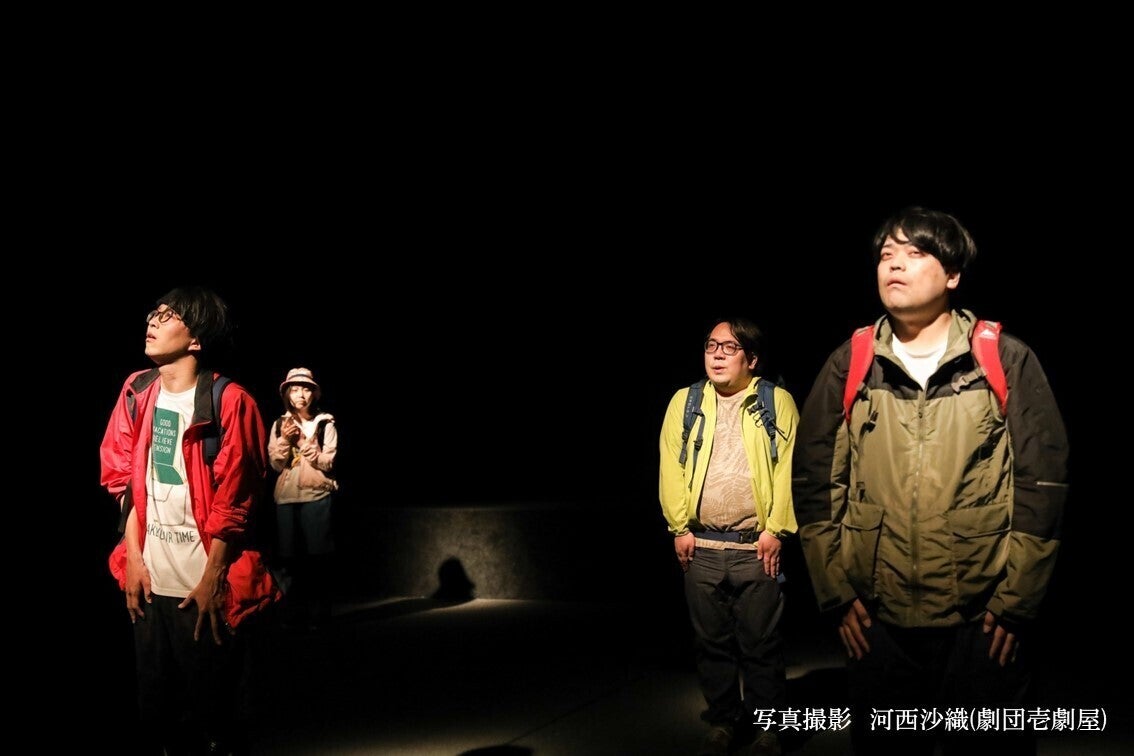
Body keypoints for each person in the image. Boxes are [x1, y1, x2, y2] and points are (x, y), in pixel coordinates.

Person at [793, 207, 1069, 755]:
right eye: (886, 254)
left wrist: (1017, 602)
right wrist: (836, 594)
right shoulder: (852, 361)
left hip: (982, 621)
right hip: (877, 618)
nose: (894, 264)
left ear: (953, 274)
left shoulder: (1003, 358)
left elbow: (1043, 483)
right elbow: (815, 481)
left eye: (915, 253)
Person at [100, 286, 277, 755]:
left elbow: (237, 499)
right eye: (153, 313)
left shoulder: (231, 401)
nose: (152, 322)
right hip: (149, 584)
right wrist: (133, 560)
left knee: (216, 717)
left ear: (196, 338)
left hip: (201, 589)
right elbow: (124, 483)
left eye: (168, 315)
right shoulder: (137, 390)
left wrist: (213, 579)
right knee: (157, 716)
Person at [658, 318, 799, 756]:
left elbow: (789, 468)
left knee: (762, 644)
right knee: (711, 644)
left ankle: (768, 728)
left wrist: (776, 529)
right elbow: (670, 465)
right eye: (711, 345)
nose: (717, 354)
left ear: (751, 359)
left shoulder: (775, 401)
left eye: (730, 347)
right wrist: (679, 527)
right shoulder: (685, 401)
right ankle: (722, 721)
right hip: (700, 546)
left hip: (755, 546)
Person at [268, 367, 340, 630]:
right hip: (286, 498)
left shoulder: (325, 423)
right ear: (287, 393)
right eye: (295, 389)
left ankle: (319, 615)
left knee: (318, 559)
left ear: (314, 393)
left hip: (317, 495)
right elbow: (275, 464)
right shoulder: (280, 424)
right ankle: (292, 614)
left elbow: (328, 462)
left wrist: (302, 441)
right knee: (289, 560)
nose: (300, 394)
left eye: (306, 389)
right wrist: (285, 441)